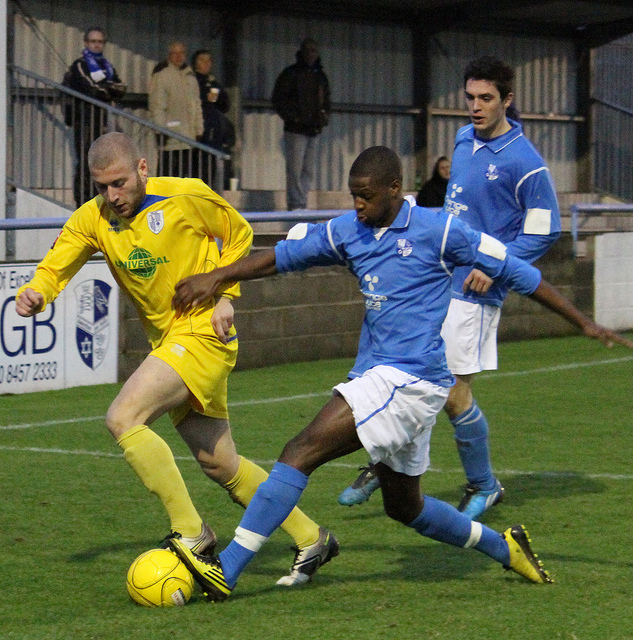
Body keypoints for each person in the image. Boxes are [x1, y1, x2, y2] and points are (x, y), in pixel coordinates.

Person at [166, 146, 631, 601]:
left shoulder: (441, 230)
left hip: (409, 380)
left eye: (366, 196)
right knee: (405, 507)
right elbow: (281, 256)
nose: (358, 205)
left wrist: (584, 323)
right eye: (353, 195)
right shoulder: (349, 230)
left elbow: (517, 273)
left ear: (395, 188)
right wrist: (218, 276)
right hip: (390, 380)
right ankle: (503, 546)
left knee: (299, 451)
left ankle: (226, 568)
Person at [14, 131, 337, 587]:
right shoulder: (93, 218)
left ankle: (191, 532)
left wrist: (225, 294)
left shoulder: (185, 196)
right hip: (169, 342)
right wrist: (36, 292)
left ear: (142, 169)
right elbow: (56, 265)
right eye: (102, 186)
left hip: (203, 334)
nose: (112, 195)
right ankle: (311, 537)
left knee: (123, 417)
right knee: (220, 464)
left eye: (120, 183)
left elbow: (239, 233)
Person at [338, 57, 562, 519]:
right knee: (408, 373)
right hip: (437, 278)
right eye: (470, 98)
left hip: (476, 290)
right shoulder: (463, 140)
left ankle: (483, 484)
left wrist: (497, 265)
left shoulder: (526, 163)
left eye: (486, 98)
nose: (476, 107)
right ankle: (385, 463)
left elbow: (545, 230)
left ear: (507, 100)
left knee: (451, 391)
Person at [63, 26, 126, 207]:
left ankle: (100, 199)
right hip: (85, 121)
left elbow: (121, 88)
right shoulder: (80, 65)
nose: (97, 45)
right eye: (93, 41)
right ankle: (83, 203)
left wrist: (106, 90)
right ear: (86, 43)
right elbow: (91, 89)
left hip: (103, 122)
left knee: (103, 163)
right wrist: (108, 90)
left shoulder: (107, 66)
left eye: (100, 42)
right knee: (86, 162)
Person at [272, 38, 331, 210]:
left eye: (314, 50)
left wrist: (324, 116)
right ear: (302, 52)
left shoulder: (320, 76)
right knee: (295, 170)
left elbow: (326, 99)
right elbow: (278, 99)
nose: (311, 54)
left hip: (314, 129)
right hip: (296, 129)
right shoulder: (291, 73)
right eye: (308, 50)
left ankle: (302, 202)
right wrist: (293, 118)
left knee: (308, 170)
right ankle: (295, 203)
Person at [149, 42, 203, 178]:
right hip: (170, 138)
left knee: (184, 179)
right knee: (167, 177)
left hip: (188, 138)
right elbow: (157, 106)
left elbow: (196, 105)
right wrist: (160, 130)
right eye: (175, 53)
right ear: (169, 56)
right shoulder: (162, 76)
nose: (179, 56)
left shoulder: (191, 77)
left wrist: (199, 129)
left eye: (182, 53)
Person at [190, 49, 234, 187]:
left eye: (209, 60)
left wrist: (218, 97)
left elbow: (225, 105)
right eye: (202, 60)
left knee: (210, 171)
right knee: (198, 170)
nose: (206, 63)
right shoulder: (192, 81)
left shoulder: (213, 82)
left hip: (214, 133)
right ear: (195, 63)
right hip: (198, 133)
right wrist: (205, 99)